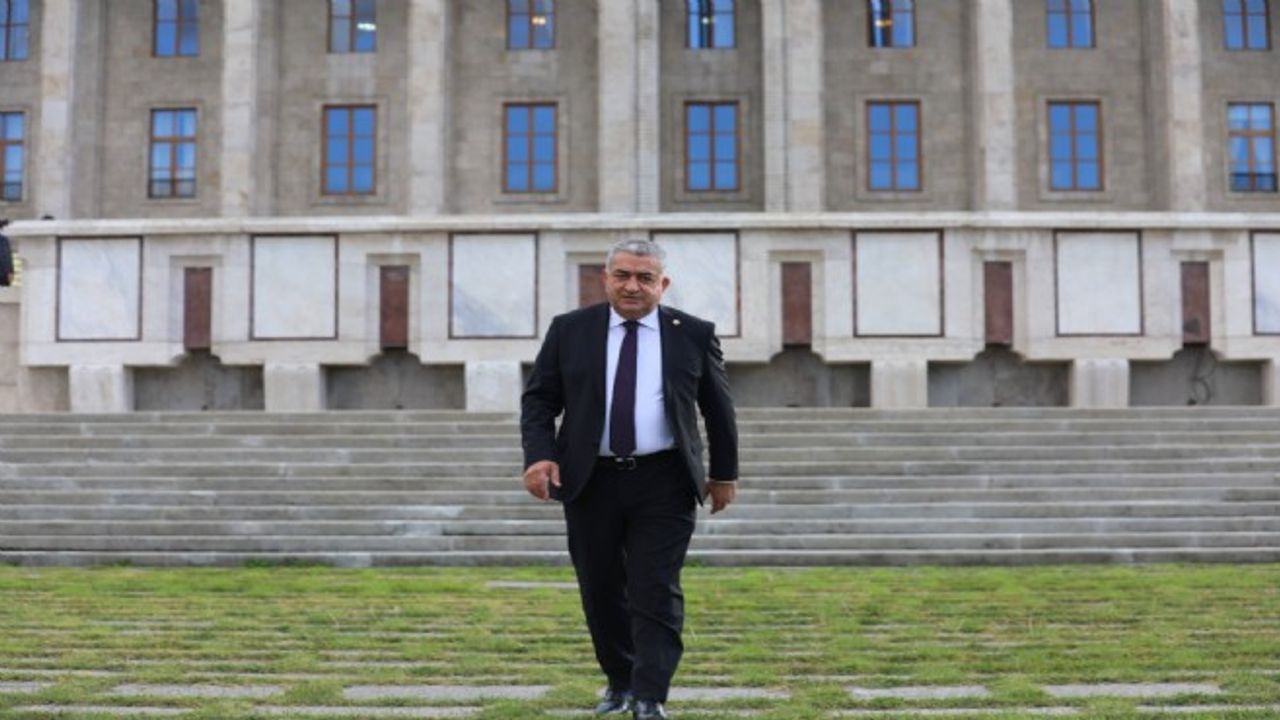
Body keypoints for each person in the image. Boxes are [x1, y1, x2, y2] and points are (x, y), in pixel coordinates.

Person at [521, 238, 739, 720]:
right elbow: (539, 400)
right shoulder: (570, 330)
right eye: (622, 275)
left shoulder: (694, 334)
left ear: (663, 284)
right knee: (600, 587)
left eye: (645, 278)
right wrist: (539, 456)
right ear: (605, 278)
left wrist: (724, 473)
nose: (632, 286)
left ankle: (649, 694)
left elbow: (718, 409)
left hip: (664, 479)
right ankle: (620, 681)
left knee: (655, 587)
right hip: (590, 480)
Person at [0, 219, 13, 287]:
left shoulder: (3, 240)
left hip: (2, 275)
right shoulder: (3, 240)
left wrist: (10, 271)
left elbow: (7, 257)